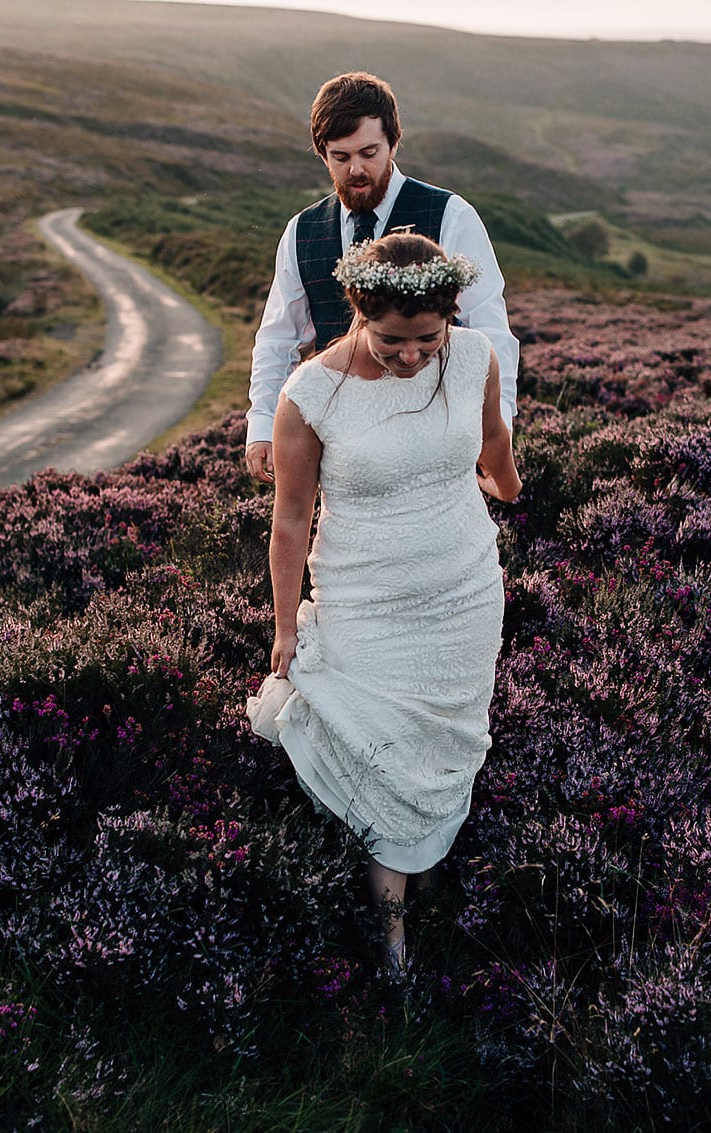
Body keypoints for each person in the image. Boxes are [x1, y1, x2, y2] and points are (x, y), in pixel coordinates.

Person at [245, 233, 521, 975]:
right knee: (389, 758)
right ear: (359, 311)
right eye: (393, 339)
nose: (411, 356)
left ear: (450, 316)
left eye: (427, 338)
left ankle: (426, 877)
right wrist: (282, 625)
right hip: (367, 603)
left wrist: (510, 483)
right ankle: (392, 938)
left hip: (463, 593)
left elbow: (491, 439)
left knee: (444, 747)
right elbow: (291, 520)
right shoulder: (311, 394)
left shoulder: (473, 358)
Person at [243, 70, 517, 486]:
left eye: (369, 152)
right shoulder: (301, 231)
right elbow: (279, 338)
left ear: (393, 141)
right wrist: (262, 422)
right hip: (343, 452)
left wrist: (498, 429)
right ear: (322, 154)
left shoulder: (451, 215)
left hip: (439, 439)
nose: (356, 169)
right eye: (341, 157)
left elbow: (489, 330)